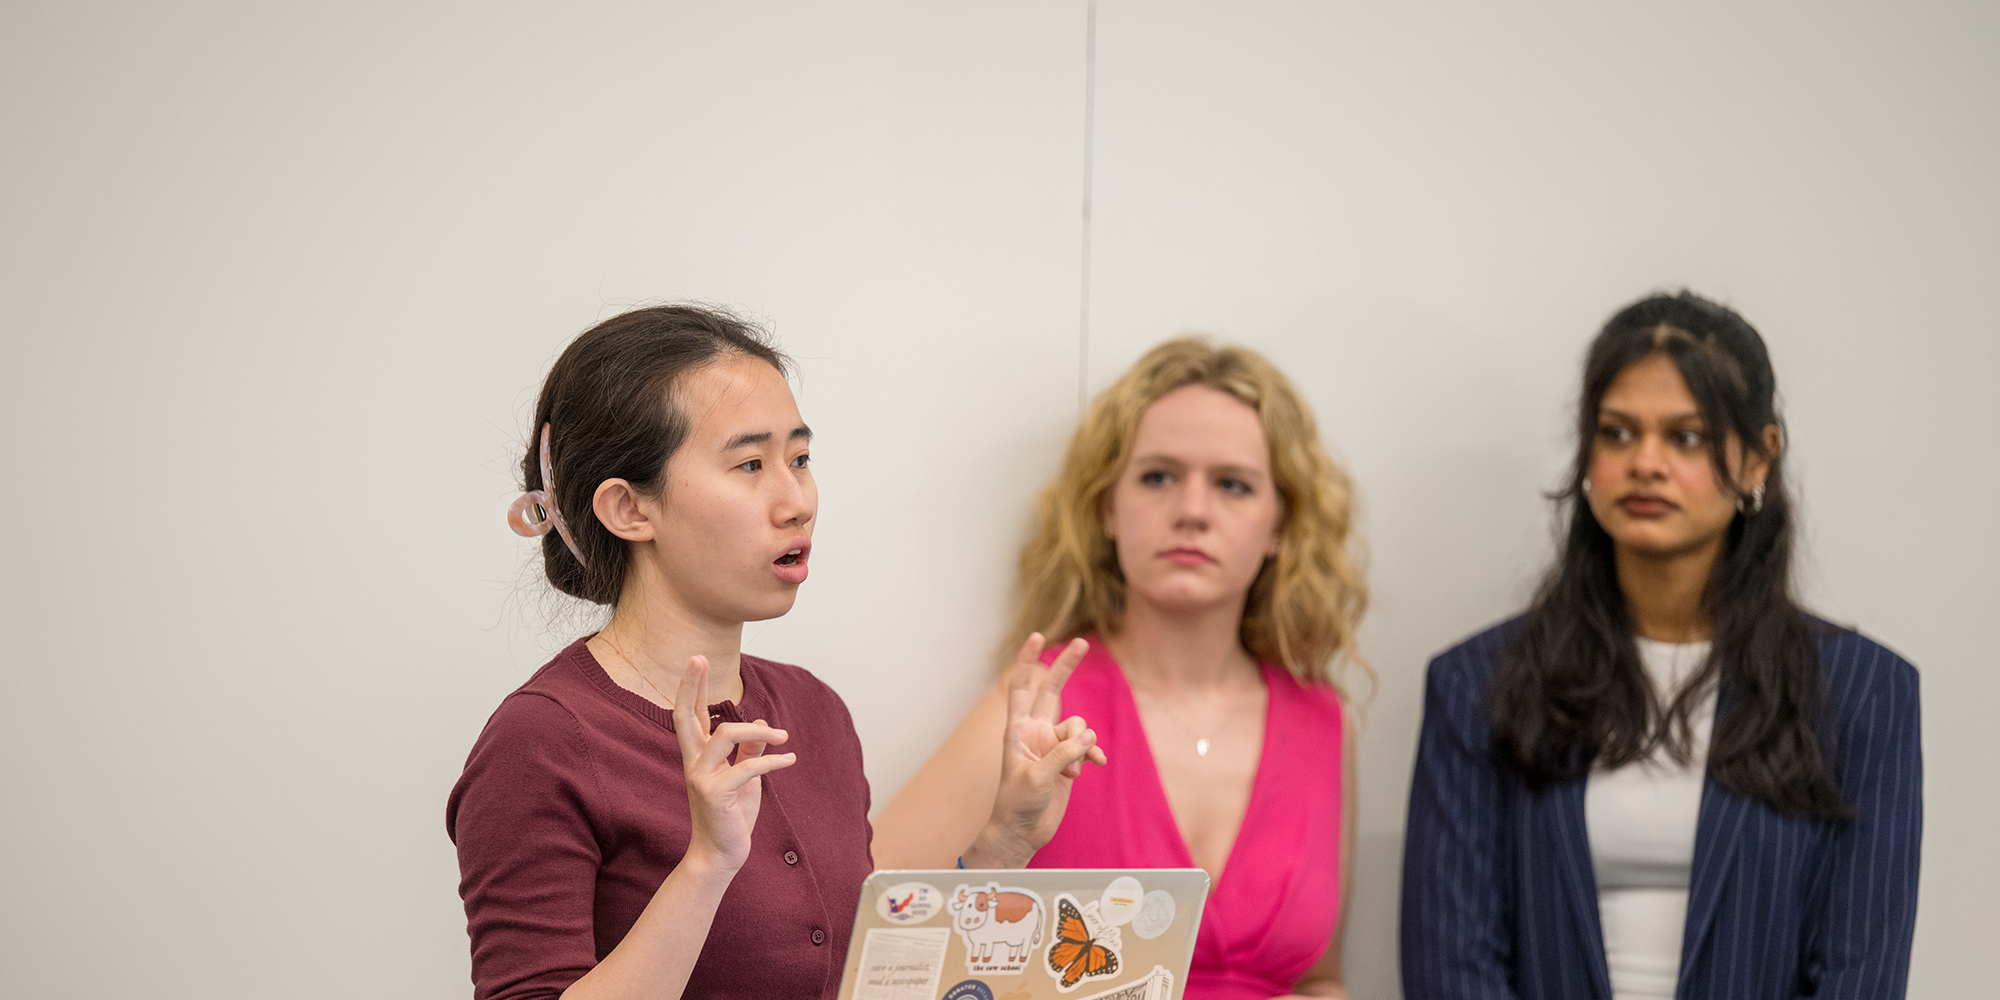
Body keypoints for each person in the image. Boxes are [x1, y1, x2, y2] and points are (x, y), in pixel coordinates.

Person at [446, 305, 1106, 1000]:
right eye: (751, 464)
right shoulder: (542, 742)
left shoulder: (814, 711)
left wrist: (1004, 842)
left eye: (800, 458)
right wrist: (706, 866)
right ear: (628, 509)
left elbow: (871, 985)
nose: (796, 501)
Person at [1400, 292, 1923, 1000]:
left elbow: (1858, 974)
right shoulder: (1478, 683)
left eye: (1686, 437)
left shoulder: (1862, 692)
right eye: (1617, 433)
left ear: (1760, 458)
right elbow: (1452, 967)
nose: (1646, 462)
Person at [875, 338, 1368, 1000]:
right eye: (1159, 476)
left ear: (1280, 524)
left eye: (1232, 484)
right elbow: (872, 927)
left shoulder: (1324, 722)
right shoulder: (1040, 703)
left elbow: (1322, 979)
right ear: (1107, 508)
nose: (1192, 510)